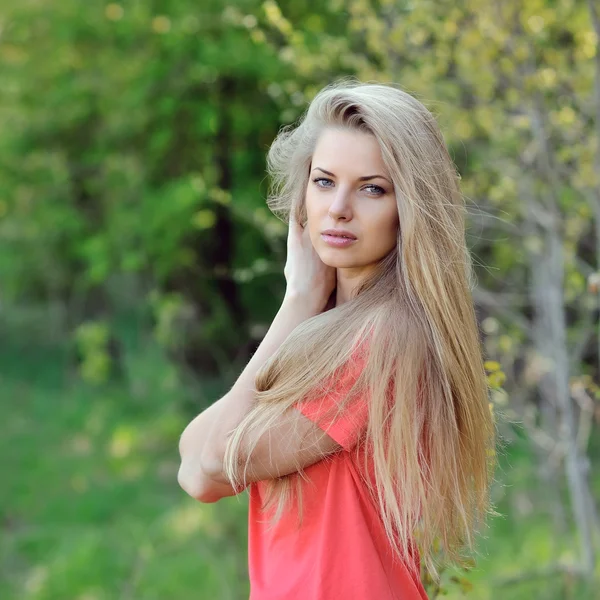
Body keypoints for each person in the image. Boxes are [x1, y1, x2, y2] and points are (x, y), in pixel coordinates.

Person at [178, 79, 496, 599]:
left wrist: (296, 300)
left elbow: (208, 469)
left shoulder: (381, 338)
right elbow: (193, 453)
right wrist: (304, 305)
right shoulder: (331, 330)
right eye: (324, 182)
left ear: (409, 207)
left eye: (373, 188)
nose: (339, 208)